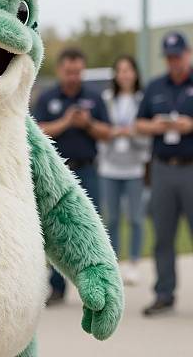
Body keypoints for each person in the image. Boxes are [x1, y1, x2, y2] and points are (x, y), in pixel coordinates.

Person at [34, 47, 111, 304]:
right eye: (69, 72)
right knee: (54, 228)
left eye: (78, 72)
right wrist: (66, 122)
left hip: (87, 169)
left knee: (90, 226)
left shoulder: (94, 98)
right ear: (60, 70)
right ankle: (57, 288)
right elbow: (37, 130)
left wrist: (88, 124)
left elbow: (108, 133)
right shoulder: (48, 98)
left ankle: (94, 286)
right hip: (57, 172)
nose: (73, 77)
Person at [136, 31, 193, 316]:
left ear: (189, 53)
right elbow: (139, 124)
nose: (174, 61)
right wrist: (157, 126)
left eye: (178, 56)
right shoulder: (155, 86)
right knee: (162, 235)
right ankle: (164, 293)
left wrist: (189, 125)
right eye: (169, 57)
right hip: (162, 169)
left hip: (190, 168)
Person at [98, 55, 149, 285]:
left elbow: (146, 131)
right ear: (115, 75)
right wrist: (113, 133)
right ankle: (115, 263)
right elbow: (101, 130)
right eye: (120, 70)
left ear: (135, 73)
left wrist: (132, 133)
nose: (124, 74)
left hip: (134, 167)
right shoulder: (107, 98)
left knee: (136, 218)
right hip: (110, 166)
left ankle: (135, 263)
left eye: (128, 70)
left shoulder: (142, 99)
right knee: (113, 218)